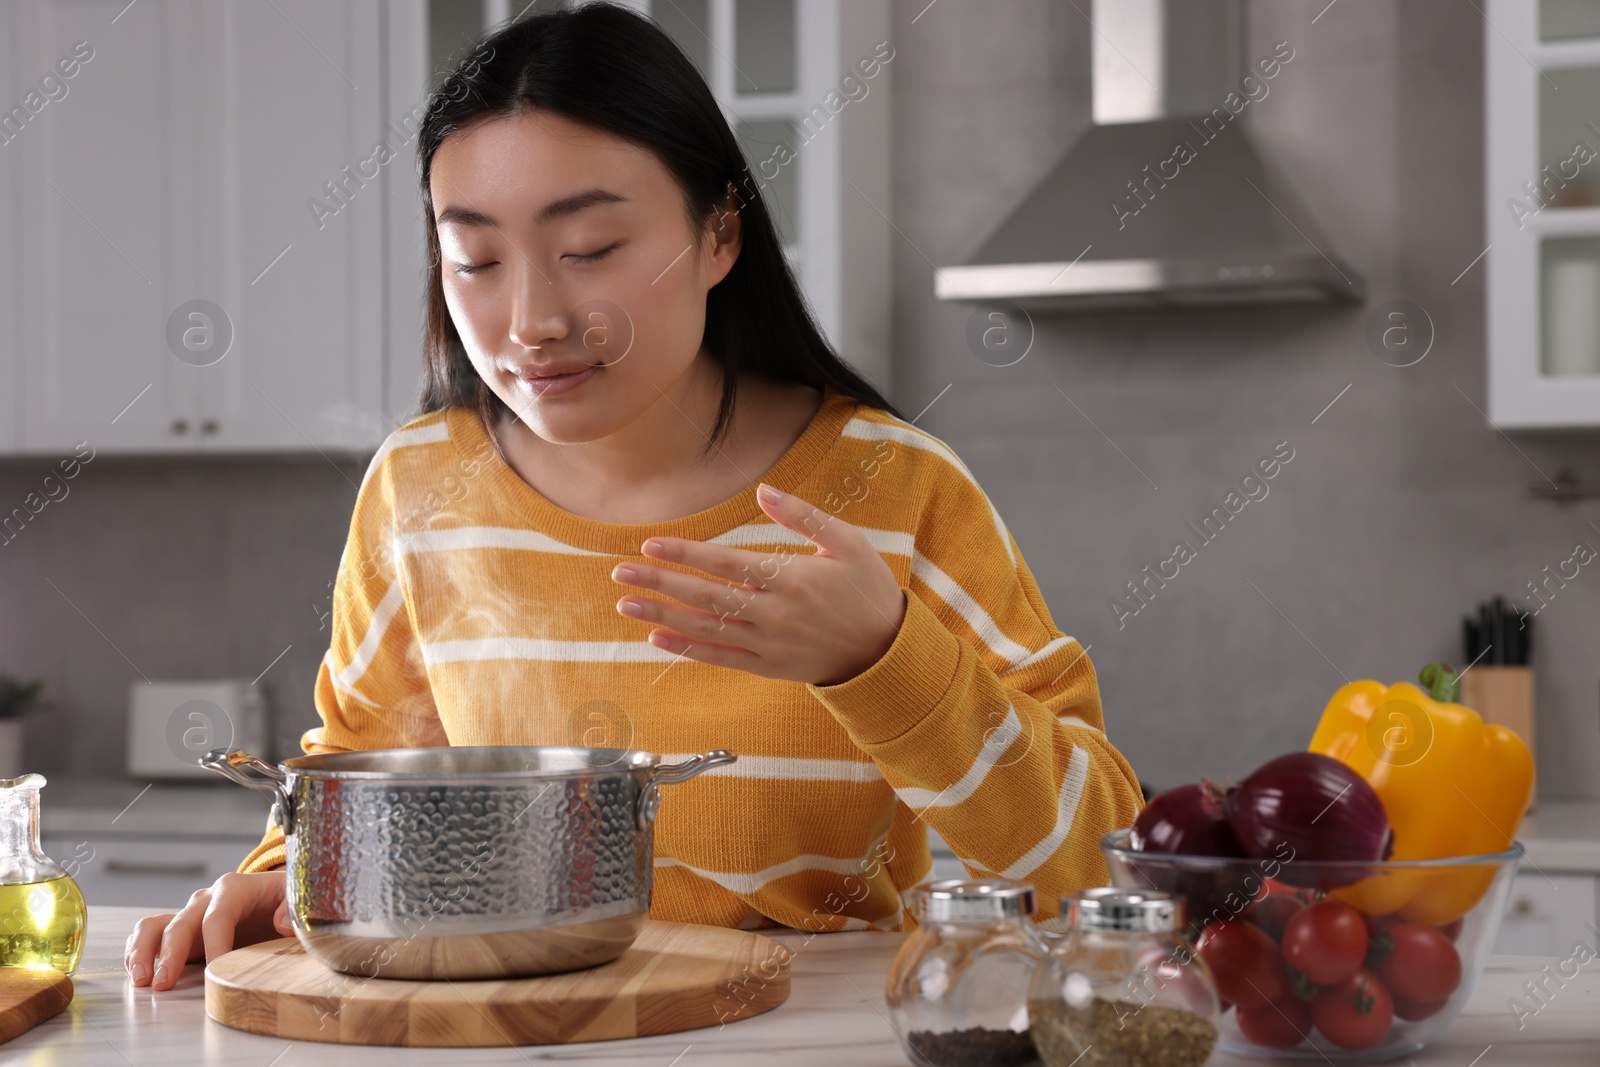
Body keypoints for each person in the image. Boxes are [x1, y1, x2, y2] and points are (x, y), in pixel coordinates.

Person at [124, 1, 1142, 990]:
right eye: (474, 258)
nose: (529, 320)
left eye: (589, 252)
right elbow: (360, 770)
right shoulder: (420, 486)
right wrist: (280, 884)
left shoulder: (892, 485)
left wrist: (883, 658)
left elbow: (1098, 862)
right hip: (516, 1030)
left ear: (719, 237)